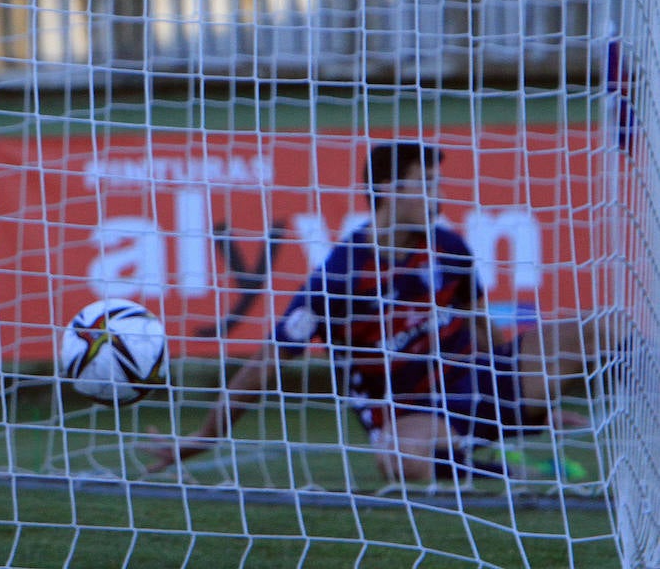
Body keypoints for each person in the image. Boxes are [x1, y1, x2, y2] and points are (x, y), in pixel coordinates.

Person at [146, 140, 589, 483]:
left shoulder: (449, 247)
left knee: (596, 328)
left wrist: (535, 406)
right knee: (398, 458)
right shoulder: (339, 275)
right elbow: (264, 366)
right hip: (405, 411)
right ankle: (500, 469)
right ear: (390, 191)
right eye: (428, 185)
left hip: (473, 382)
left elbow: (484, 331)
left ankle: (499, 435)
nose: (439, 197)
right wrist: (203, 437)